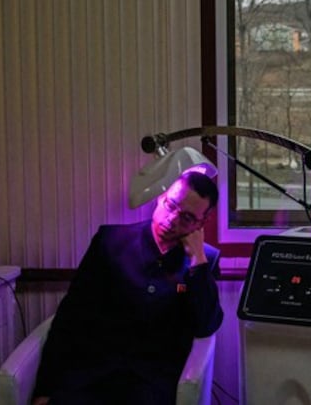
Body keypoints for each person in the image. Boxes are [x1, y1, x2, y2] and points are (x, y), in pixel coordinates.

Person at [32, 171, 223, 405]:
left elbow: (207, 326)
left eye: (186, 218)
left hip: (150, 382)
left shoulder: (203, 262)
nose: (171, 219)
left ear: (201, 223)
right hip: (92, 374)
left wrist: (198, 263)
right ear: (161, 197)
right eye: (171, 205)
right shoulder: (111, 241)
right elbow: (70, 317)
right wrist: (45, 388)